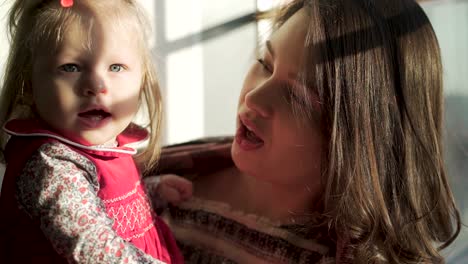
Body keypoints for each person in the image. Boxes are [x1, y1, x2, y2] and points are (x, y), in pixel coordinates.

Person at [153, 0, 462, 263]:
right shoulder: (159, 173)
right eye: (265, 63)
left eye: (296, 96)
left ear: (360, 136)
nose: (253, 98)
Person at [0, 0, 192, 263]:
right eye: (71, 67)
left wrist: (151, 191)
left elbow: (103, 198)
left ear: (142, 79)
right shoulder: (53, 167)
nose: (96, 85)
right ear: (30, 85)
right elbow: (94, 249)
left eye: (116, 67)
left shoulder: (108, 142)